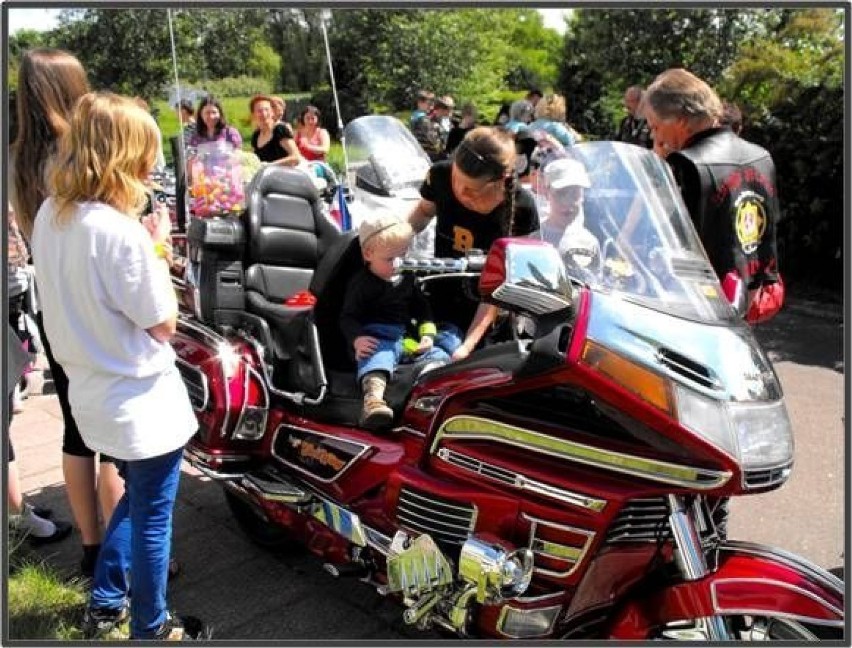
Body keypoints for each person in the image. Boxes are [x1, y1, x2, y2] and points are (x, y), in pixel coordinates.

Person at [31, 91, 203, 640]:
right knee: (152, 516)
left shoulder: (49, 215)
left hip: (90, 393)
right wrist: (156, 249)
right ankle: (152, 627)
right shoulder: (119, 230)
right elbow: (164, 322)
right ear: (123, 156)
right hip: (141, 402)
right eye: (146, 154)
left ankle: (106, 602)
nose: (152, 166)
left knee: (136, 501)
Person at [10, 47, 125, 580]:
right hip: (98, 300)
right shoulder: (81, 151)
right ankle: (125, 556)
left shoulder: (19, 155)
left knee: (78, 433)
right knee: (118, 439)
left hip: (52, 303)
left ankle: (92, 548)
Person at [643, 67, 782, 323]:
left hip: (699, 307)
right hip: (747, 297)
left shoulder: (685, 165)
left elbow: (656, 232)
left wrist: (657, 169)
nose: (654, 136)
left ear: (680, 120)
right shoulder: (761, 156)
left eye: (655, 126)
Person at [408, 127, 540, 360]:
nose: (460, 191)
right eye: (456, 179)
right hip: (440, 296)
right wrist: (393, 239)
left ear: (502, 181)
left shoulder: (523, 207)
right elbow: (422, 213)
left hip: (487, 315)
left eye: (471, 188)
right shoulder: (440, 175)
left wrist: (467, 346)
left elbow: (501, 289)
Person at [341, 212, 458, 429]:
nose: (398, 264)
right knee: (378, 358)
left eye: (403, 255)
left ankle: (434, 396)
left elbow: (422, 309)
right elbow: (348, 316)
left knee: (441, 355)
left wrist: (427, 335)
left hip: (405, 340)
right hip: (377, 338)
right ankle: (373, 401)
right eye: (390, 259)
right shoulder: (361, 284)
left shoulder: (407, 279)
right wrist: (357, 339)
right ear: (368, 254)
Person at [538, 158, 601, 277]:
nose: (568, 203)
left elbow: (594, 285)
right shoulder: (535, 236)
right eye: (561, 194)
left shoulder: (589, 242)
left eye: (575, 194)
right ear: (547, 193)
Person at [250, 94, 301, 166]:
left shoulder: (280, 130)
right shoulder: (256, 135)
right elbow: (253, 159)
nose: (264, 114)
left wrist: (270, 165)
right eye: (259, 111)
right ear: (253, 115)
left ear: (272, 112)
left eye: (266, 109)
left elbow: (296, 158)